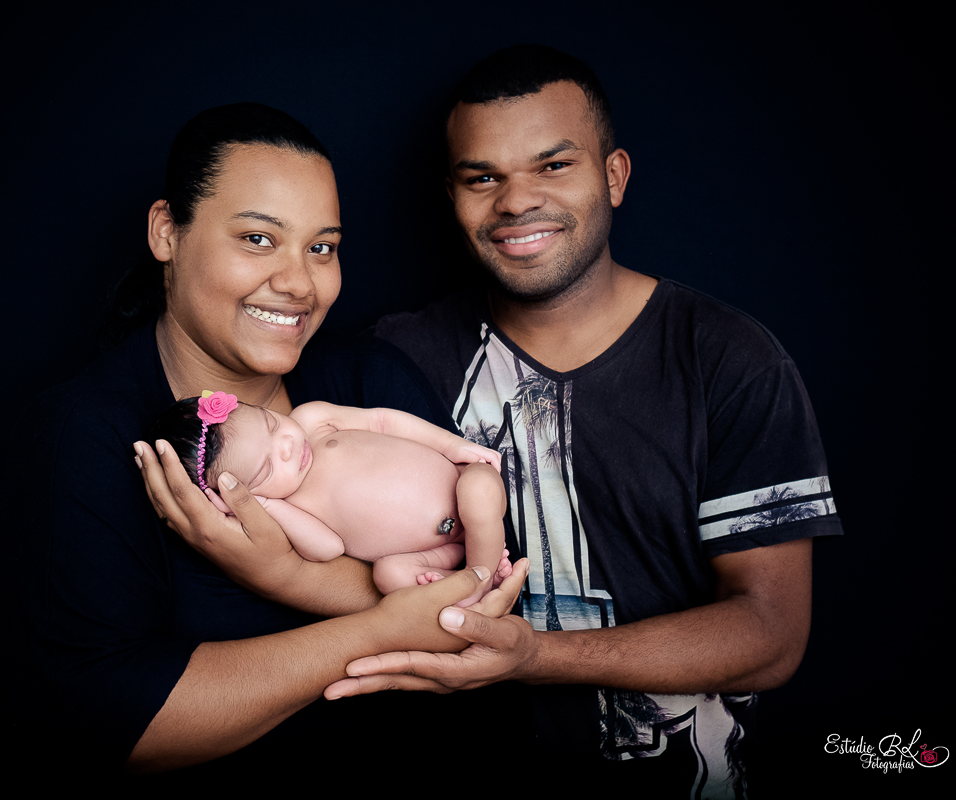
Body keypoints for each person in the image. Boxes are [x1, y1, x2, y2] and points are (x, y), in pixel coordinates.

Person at [332, 45, 845, 797]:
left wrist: (535, 655)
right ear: (452, 195)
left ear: (614, 176)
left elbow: (770, 635)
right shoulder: (394, 360)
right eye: (483, 178)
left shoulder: (729, 358)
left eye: (552, 166)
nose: (514, 202)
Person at [0, 102, 524, 778]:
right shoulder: (89, 438)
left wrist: (290, 577)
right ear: (166, 232)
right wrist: (378, 628)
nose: (299, 283)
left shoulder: (371, 378)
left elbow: (496, 596)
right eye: (258, 239)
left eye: (321, 247)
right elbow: (108, 718)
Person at [149, 391, 509, 604]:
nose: (288, 445)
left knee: (478, 491)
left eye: (271, 423)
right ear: (237, 496)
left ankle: (479, 579)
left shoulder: (311, 419)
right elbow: (328, 548)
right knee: (387, 576)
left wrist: (454, 445)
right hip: (435, 552)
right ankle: (468, 580)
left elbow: (383, 421)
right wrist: (266, 507)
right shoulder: (286, 508)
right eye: (266, 470)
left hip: (463, 483)